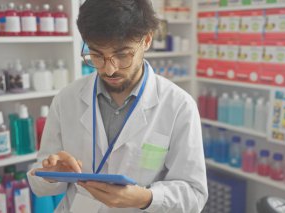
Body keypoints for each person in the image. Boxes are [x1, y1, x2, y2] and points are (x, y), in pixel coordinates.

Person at [27, 0, 208, 212]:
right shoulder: (66, 99)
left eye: (122, 55)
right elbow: (39, 183)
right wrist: (50, 174)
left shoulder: (179, 106)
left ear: (146, 40)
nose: (110, 69)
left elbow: (194, 194)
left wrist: (146, 198)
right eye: (96, 55)